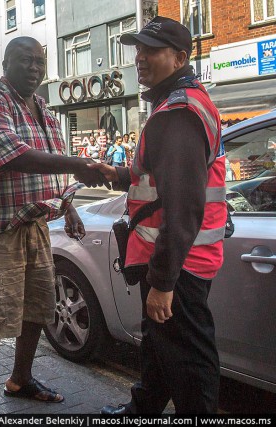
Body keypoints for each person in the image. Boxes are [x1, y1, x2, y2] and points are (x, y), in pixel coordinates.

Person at [0, 36, 106, 426]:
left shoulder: (43, 108)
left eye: (40, 62)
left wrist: (68, 204)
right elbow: (10, 157)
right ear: (6, 64)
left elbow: (53, 165)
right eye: (26, 61)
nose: (35, 69)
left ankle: (20, 379)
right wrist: (77, 162)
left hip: (34, 223)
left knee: (38, 307)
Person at [90, 16, 226, 415]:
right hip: (176, 262)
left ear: (180, 57)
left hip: (177, 266)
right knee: (160, 345)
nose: (140, 58)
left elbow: (183, 207)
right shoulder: (179, 103)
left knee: (189, 363)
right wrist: (117, 175)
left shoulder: (177, 112)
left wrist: (163, 281)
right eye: (138, 49)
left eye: (151, 50)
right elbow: (161, 182)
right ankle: (141, 409)